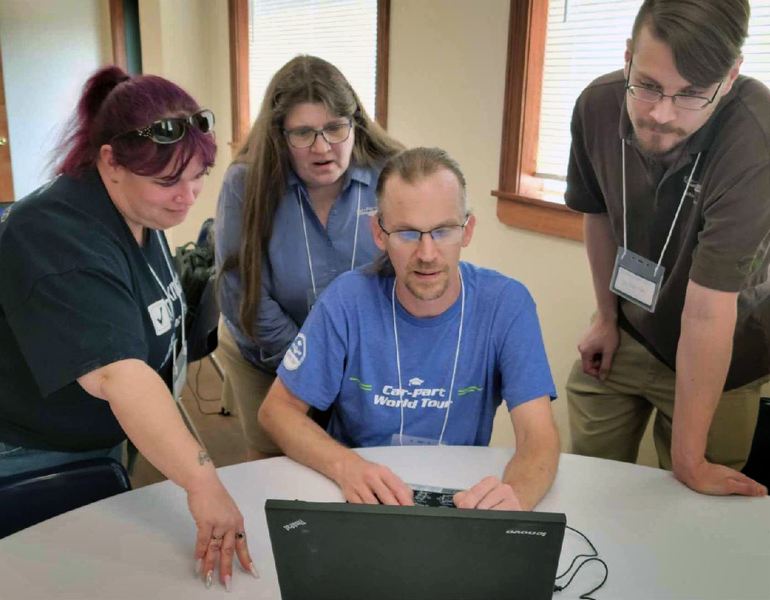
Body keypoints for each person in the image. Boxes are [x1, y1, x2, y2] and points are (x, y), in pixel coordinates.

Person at [0, 66, 255, 591]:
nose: (187, 199)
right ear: (110, 162)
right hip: (15, 447)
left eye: (198, 179)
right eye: (168, 182)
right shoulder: (58, 238)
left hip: (88, 436)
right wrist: (200, 481)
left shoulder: (131, 210)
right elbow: (117, 375)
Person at [258, 147, 560, 511]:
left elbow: (537, 436)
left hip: (458, 495)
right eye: (406, 234)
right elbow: (277, 411)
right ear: (379, 233)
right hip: (359, 493)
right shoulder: (346, 300)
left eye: (443, 231)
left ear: (467, 230)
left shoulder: (507, 304)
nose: (427, 253)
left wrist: (517, 496)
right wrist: (347, 466)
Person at [565, 0, 769, 497]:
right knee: (587, 487)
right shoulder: (597, 104)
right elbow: (599, 214)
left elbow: (708, 312)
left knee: (696, 507)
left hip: (726, 348)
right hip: (634, 328)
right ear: (630, 53)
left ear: (731, 74)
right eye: (649, 85)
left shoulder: (756, 138)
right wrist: (606, 317)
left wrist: (689, 462)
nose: (661, 115)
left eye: (692, 94)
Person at [215, 55, 403, 460]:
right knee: (279, 473)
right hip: (267, 355)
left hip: (365, 363)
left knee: (364, 468)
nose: (323, 148)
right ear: (280, 135)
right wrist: (316, 371)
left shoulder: (390, 174)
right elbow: (243, 296)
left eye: (335, 128)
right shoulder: (245, 183)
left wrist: (358, 369)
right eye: (303, 133)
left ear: (355, 123)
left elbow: (407, 275)